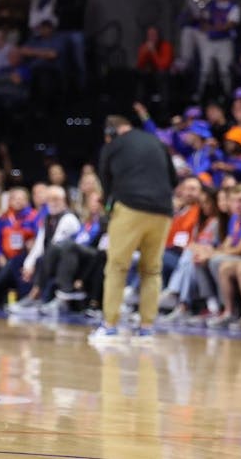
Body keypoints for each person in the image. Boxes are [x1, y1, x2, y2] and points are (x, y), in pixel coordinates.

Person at [94, 113, 178, 344]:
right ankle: (146, 329)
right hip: (163, 211)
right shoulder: (156, 142)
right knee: (152, 269)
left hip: (130, 208)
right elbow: (173, 179)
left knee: (117, 266)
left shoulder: (113, 146)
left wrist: (109, 206)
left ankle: (110, 326)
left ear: (110, 133)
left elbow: (106, 184)